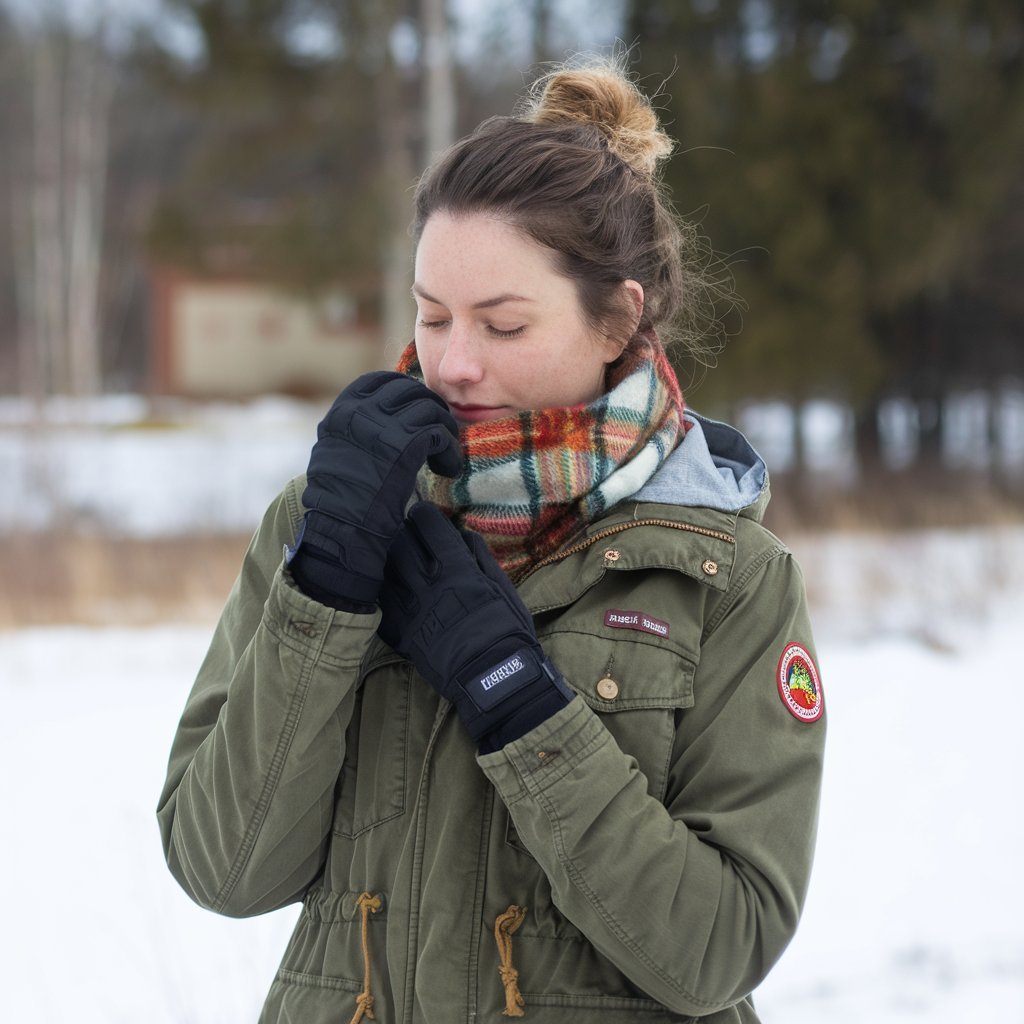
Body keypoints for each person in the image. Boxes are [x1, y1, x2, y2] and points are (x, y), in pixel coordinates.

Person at [158, 56, 825, 1024]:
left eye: (503, 324)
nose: (453, 362)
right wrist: (324, 592)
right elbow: (224, 867)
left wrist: (516, 697)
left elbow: (715, 950)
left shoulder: (727, 576)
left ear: (615, 319)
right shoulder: (326, 523)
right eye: (431, 316)